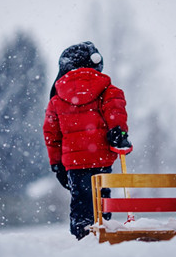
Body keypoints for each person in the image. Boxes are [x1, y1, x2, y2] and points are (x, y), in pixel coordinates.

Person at [43, 41, 132, 240]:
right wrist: (119, 132)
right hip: (101, 158)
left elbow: (52, 135)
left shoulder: (56, 100)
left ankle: (82, 235)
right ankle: (103, 231)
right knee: (102, 200)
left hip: (74, 163)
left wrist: (56, 164)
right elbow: (115, 110)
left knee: (81, 201)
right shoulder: (108, 90)